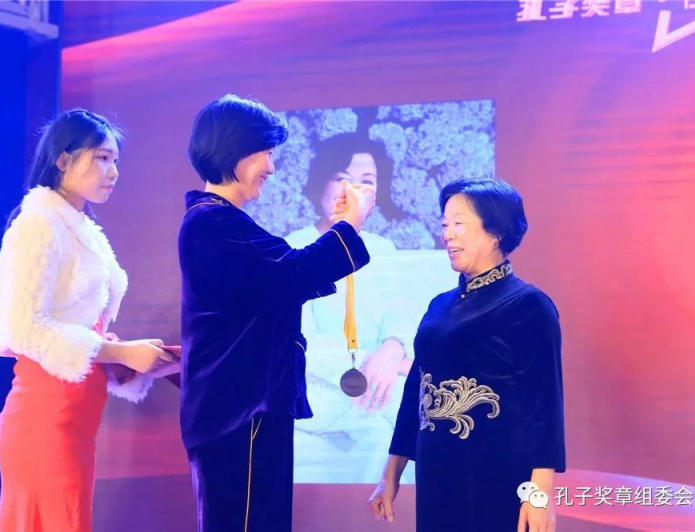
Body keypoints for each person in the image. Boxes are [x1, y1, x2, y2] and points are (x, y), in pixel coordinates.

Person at [178, 95, 375, 532]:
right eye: (265, 152)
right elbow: (292, 274)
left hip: (246, 408)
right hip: (241, 410)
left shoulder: (220, 222)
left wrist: (341, 228)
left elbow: (280, 279)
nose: (271, 166)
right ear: (235, 150)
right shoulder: (213, 222)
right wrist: (352, 223)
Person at [0, 109, 179, 532]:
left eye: (115, 160)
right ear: (63, 159)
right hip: (44, 418)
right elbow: (23, 327)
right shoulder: (38, 224)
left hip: (74, 418)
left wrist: (124, 358)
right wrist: (118, 352)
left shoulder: (79, 227)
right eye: (101, 158)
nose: (113, 171)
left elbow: (76, 328)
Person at [369, 178, 566, 532]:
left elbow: (545, 404)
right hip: (437, 476)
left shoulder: (528, 304)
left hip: (498, 477)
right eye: (445, 224)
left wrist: (539, 495)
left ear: (496, 233)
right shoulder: (439, 305)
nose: (447, 234)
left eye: (459, 223)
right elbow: (416, 390)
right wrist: (391, 472)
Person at [285, 132, 413, 483]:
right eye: (342, 178)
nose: (353, 190)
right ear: (320, 184)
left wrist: (392, 350)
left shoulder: (383, 249)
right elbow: (300, 338)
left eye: (366, 181)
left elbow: (400, 317)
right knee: (384, 427)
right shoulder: (294, 248)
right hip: (317, 382)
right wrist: (371, 364)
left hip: (380, 377)